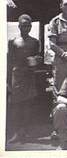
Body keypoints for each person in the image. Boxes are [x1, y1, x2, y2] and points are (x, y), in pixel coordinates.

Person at [7, 14, 42, 143]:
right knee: (16, 104)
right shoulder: (12, 41)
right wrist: (7, 81)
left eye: (27, 25)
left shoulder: (34, 42)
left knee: (28, 104)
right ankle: (16, 132)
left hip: (29, 75)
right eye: (23, 25)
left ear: (31, 27)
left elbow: (38, 58)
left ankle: (26, 132)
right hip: (17, 75)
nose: (25, 28)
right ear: (19, 26)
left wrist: (36, 60)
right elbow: (9, 61)